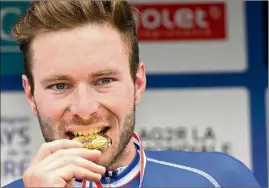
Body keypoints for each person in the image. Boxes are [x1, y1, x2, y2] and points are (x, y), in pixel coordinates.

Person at [4, 1, 261, 187]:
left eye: (104, 80)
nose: (84, 109)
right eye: (60, 85)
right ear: (31, 95)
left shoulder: (219, 180)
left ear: (138, 83)